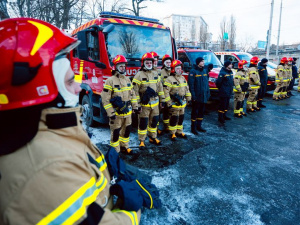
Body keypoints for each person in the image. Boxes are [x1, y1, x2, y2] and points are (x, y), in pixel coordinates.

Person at [0, 18, 144, 225]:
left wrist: (106, 175)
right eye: (69, 81)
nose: (78, 88)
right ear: (40, 91)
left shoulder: (47, 130)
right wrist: (133, 211)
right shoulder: (45, 170)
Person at [101, 55, 139, 155]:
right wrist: (111, 113)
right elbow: (105, 98)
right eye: (120, 66)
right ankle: (115, 151)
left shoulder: (127, 80)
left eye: (124, 66)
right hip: (116, 113)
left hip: (128, 112)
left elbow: (133, 94)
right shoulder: (110, 81)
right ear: (115, 67)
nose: (123, 68)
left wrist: (135, 107)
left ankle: (125, 147)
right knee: (116, 133)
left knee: (127, 131)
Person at [132, 53, 165, 150]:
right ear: (143, 63)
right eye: (147, 62)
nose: (149, 64)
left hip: (155, 104)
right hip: (144, 105)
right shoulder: (138, 75)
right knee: (143, 122)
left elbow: (160, 88)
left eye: (150, 62)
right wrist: (137, 105)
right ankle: (142, 140)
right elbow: (135, 92)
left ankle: (153, 137)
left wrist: (162, 100)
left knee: (154, 122)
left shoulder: (155, 74)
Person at [163, 60, 191, 141]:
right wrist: (169, 103)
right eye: (177, 68)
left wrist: (189, 99)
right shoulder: (169, 79)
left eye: (180, 68)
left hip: (182, 103)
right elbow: (166, 92)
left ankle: (179, 131)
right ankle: (173, 133)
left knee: (181, 118)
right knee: (174, 119)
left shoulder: (182, 78)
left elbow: (187, 89)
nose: (179, 70)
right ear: (173, 69)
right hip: (174, 104)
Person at [188, 57, 210, 134]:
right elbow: (191, 85)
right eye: (202, 61)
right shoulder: (193, 72)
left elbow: (206, 84)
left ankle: (199, 126)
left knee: (201, 112)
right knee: (195, 112)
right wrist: (193, 96)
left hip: (203, 96)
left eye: (203, 61)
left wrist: (208, 93)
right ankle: (193, 128)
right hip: (197, 96)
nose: (203, 62)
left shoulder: (204, 71)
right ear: (198, 63)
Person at [159, 54, 173, 132]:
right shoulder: (161, 72)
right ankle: (166, 126)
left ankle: (171, 125)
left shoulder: (172, 71)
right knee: (165, 111)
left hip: (172, 95)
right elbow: (160, 85)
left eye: (169, 62)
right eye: (167, 62)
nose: (168, 64)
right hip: (164, 95)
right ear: (164, 63)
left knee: (171, 111)